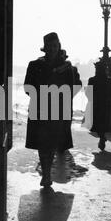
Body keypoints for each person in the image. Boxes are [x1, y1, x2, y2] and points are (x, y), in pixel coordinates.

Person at [24, 32, 82, 187]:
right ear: (45, 48)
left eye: (55, 46)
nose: (52, 49)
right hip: (40, 108)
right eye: (49, 46)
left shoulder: (67, 67)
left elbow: (72, 89)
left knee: (51, 143)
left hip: (58, 110)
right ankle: (46, 174)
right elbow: (27, 87)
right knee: (43, 143)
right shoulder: (34, 65)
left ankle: (47, 174)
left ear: (59, 46)